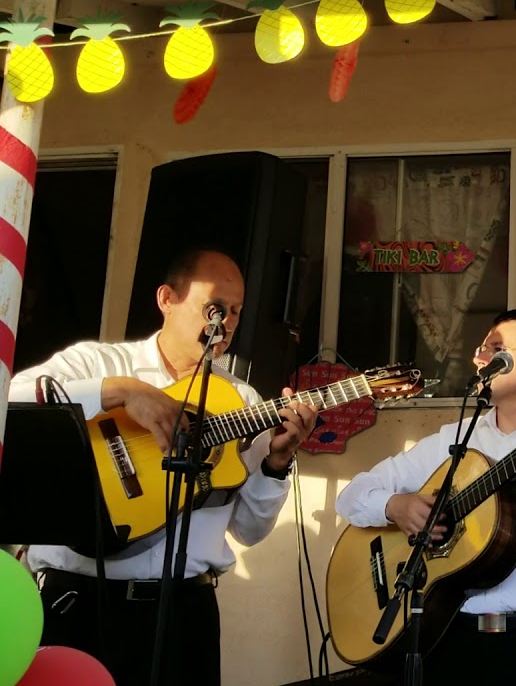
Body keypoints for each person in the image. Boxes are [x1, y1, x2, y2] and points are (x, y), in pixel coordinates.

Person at [9, 247, 318, 686]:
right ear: (167, 299)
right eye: (215, 307)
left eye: (235, 311)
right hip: (78, 602)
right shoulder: (98, 363)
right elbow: (13, 398)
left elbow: (249, 530)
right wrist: (119, 392)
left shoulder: (242, 401)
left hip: (185, 614)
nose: (227, 322)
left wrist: (277, 463)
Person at [335, 309, 516, 685]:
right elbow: (351, 495)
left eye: (495, 348)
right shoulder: (453, 440)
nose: (478, 356)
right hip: (449, 638)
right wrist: (395, 506)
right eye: (481, 347)